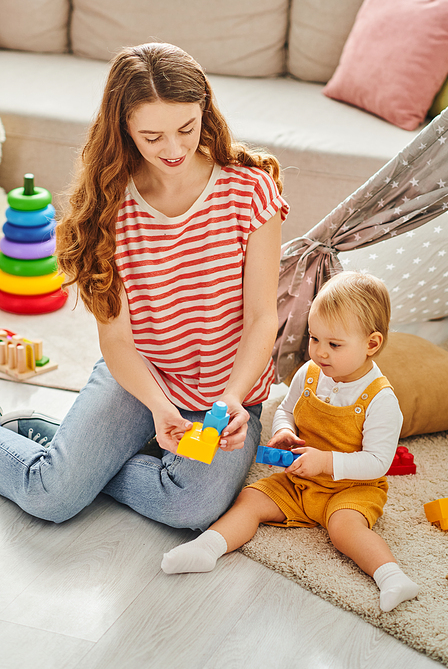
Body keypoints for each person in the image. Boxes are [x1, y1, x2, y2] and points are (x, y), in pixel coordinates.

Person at [0, 42, 288, 530]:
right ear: (124, 128)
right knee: (50, 497)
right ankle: (67, 461)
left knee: (190, 508)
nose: (173, 150)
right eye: (152, 136)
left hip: (227, 392)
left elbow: (263, 317)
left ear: (204, 112)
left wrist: (235, 398)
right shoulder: (107, 207)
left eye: (186, 129)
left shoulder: (250, 189)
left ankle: (74, 454)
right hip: (139, 379)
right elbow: (116, 340)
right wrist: (159, 408)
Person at [161, 271, 419, 612]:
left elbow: (377, 462)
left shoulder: (380, 400)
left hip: (351, 487)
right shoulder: (309, 372)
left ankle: (392, 578)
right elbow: (286, 410)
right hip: (300, 477)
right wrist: (283, 430)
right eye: (314, 339)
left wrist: (326, 462)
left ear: (371, 344)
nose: (320, 352)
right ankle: (207, 547)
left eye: (334, 344)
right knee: (251, 498)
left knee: (344, 530)